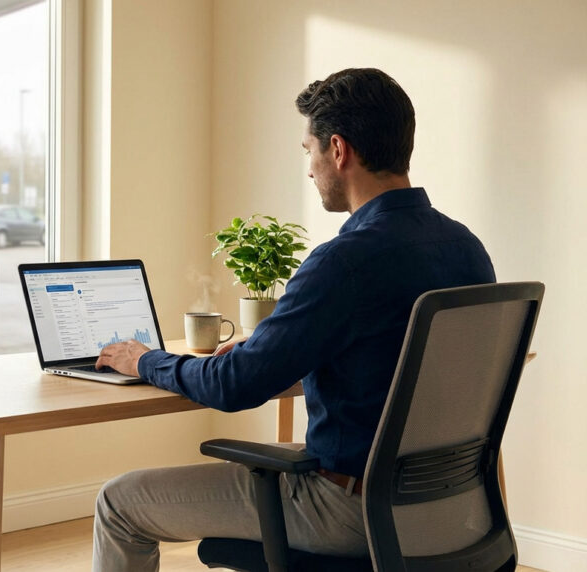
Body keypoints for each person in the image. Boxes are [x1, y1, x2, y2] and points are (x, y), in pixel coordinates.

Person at [91, 68, 496, 571]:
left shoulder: (342, 262)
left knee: (118, 502)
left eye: (309, 150)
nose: (309, 168)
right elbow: (387, 358)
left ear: (339, 150)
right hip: (452, 510)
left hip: (352, 511)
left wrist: (146, 360)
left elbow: (235, 387)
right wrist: (274, 348)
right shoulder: (467, 249)